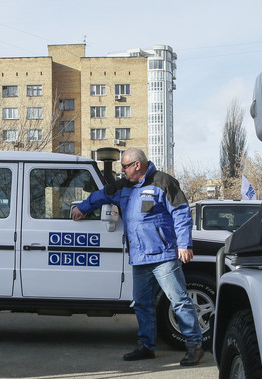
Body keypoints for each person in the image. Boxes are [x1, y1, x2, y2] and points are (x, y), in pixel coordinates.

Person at [72, 148, 204, 366]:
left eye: (124, 166)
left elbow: (181, 213)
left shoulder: (163, 181)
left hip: (164, 256)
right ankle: (146, 346)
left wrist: (184, 244)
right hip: (140, 258)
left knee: (179, 301)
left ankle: (194, 345)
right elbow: (102, 194)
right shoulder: (123, 186)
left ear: (137, 165)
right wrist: (83, 208)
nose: (122, 171)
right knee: (142, 304)